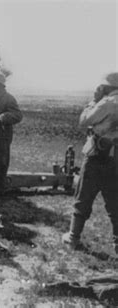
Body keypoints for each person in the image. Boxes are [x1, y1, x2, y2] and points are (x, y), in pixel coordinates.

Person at [62, 73, 118, 253]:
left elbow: (84, 121)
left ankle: (73, 238)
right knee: (115, 202)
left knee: (83, 196)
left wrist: (93, 102)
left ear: (106, 88)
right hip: (115, 157)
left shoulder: (107, 102)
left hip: (96, 157)